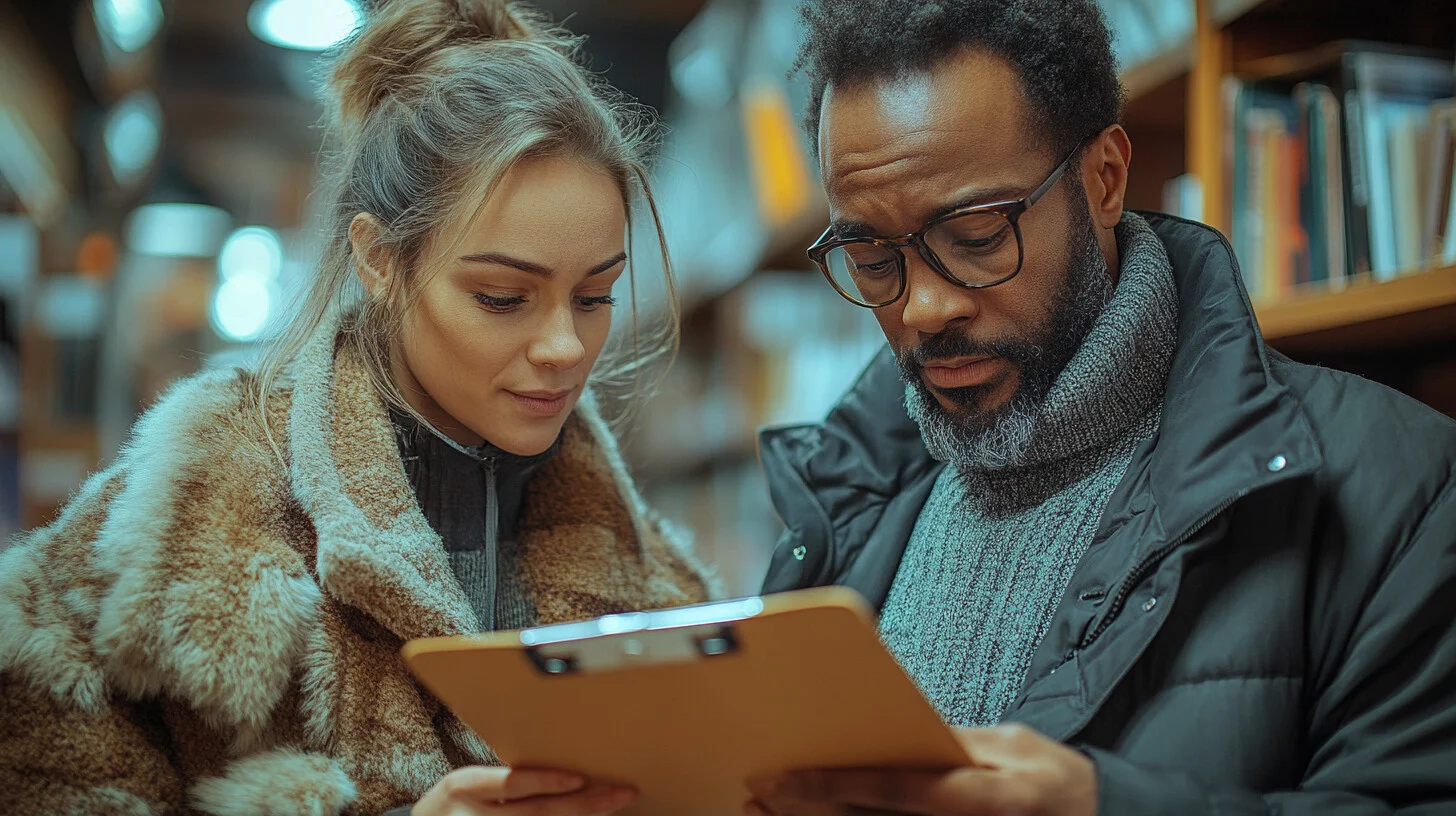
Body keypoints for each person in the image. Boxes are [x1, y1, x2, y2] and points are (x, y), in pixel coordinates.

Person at [0, 2, 710, 814]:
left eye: (595, 296)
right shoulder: (199, 507)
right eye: (503, 297)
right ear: (380, 260)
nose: (565, 347)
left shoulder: (650, 575)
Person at [750, 1, 1456, 814]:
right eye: (872, 258)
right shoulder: (843, 504)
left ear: (1105, 178)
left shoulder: (1404, 489)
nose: (923, 309)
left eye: (977, 236)